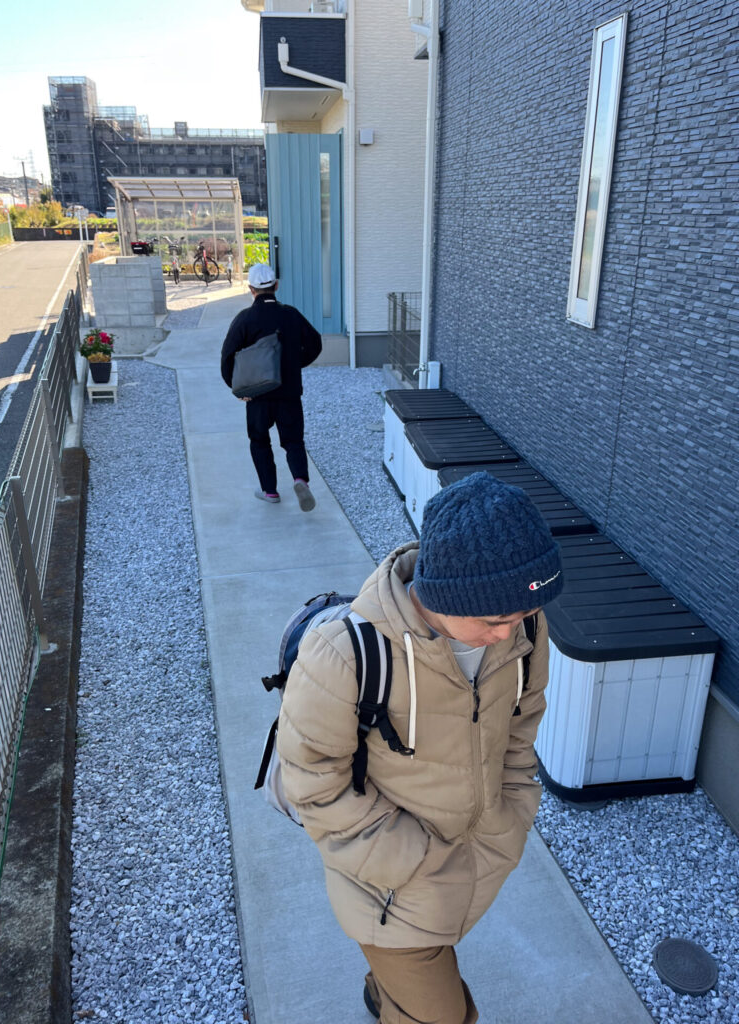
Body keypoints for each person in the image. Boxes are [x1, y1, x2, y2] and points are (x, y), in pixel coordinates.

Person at [277, 471, 564, 1024]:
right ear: (442, 596)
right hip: (388, 885)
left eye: (523, 616)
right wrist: (409, 860)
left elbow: (522, 721)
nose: (509, 633)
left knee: (413, 976)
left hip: (476, 861)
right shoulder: (342, 655)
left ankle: (383, 987)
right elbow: (311, 782)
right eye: (495, 620)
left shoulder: (526, 630)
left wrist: (511, 808)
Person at [220, 264, 322, 511]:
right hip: (289, 392)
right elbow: (315, 343)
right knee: (293, 440)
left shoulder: (244, 318)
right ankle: (300, 480)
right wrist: (296, 364)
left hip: (257, 394)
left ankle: (270, 491)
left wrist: (238, 388)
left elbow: (227, 357)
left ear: (251, 289)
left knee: (259, 440)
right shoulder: (291, 314)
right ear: (276, 286)